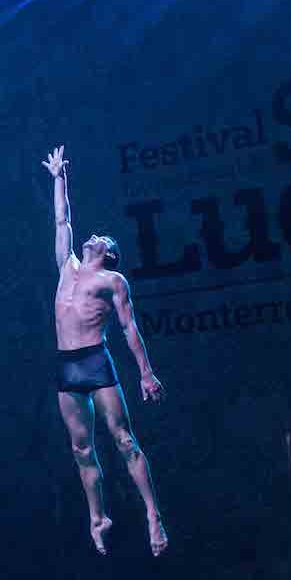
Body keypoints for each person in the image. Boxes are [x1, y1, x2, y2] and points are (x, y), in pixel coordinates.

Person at [42, 146, 168, 556]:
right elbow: (63, 220)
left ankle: (152, 514)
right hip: (67, 366)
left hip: (96, 361)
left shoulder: (113, 280)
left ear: (109, 253)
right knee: (81, 448)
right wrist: (59, 178)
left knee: (123, 440)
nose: (92, 236)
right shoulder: (68, 266)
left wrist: (146, 373)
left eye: (101, 239)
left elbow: (130, 328)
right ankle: (97, 517)